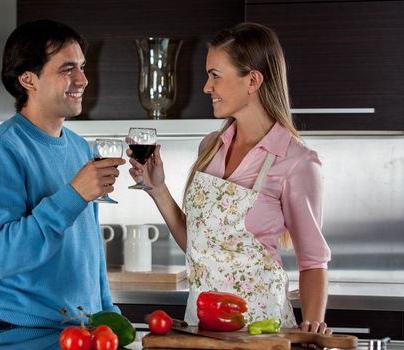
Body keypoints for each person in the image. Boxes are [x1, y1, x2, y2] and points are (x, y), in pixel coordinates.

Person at [128, 23, 332, 333]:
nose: (207, 87)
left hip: (262, 330)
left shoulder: (296, 161)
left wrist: (313, 327)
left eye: (215, 76)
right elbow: (200, 245)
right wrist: (158, 189)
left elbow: (313, 261)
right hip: (204, 325)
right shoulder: (210, 146)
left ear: (252, 80)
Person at [0, 19, 125, 329]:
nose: (82, 79)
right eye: (68, 69)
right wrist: (74, 195)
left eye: (82, 67)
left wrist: (107, 312)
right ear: (28, 79)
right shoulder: (2, 150)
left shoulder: (81, 148)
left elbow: (90, 248)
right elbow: (2, 257)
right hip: (23, 331)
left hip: (82, 328)